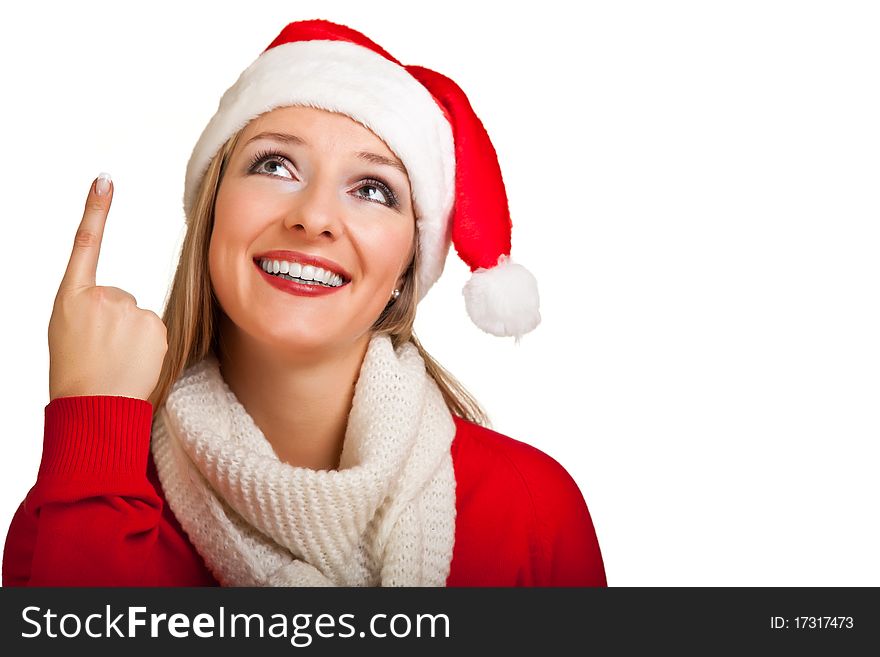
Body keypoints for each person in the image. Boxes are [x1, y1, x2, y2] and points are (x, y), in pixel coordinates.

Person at [2, 19, 606, 587]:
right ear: (212, 214)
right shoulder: (80, 494)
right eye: (275, 165)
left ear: (406, 267)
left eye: (373, 189)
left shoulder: (532, 510)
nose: (314, 217)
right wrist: (91, 417)